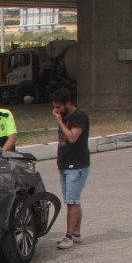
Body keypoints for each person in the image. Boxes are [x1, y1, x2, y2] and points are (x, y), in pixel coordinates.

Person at [51, 87, 90, 250]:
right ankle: (77, 234)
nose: (56, 111)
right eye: (54, 107)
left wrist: (59, 121)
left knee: (72, 201)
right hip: (65, 164)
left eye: (59, 107)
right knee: (72, 201)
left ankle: (69, 236)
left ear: (68, 104)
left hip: (77, 165)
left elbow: (72, 138)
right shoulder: (64, 116)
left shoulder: (79, 117)